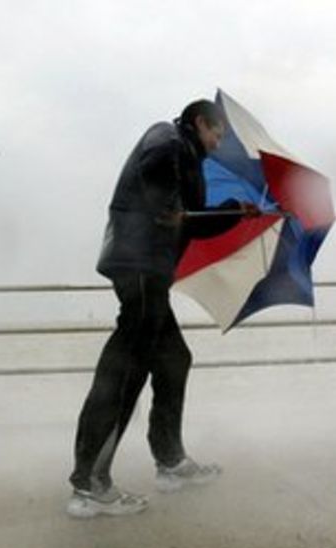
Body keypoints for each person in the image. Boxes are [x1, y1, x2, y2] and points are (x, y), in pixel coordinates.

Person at [67, 99, 259, 519]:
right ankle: (90, 484)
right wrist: (165, 205)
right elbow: (160, 186)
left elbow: (189, 219)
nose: (217, 143)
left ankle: (170, 463)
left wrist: (234, 214)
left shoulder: (188, 157)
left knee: (174, 358)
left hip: (152, 268)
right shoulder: (167, 137)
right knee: (127, 367)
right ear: (198, 122)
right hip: (137, 262)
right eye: (217, 133)